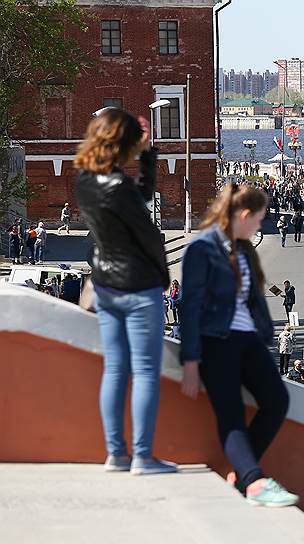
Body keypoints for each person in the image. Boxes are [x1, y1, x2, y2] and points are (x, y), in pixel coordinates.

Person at [179, 183, 297, 507]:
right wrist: (190, 362)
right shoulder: (202, 248)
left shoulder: (243, 247)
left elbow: (252, 300)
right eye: (258, 219)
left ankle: (242, 473)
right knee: (230, 413)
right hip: (216, 341)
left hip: (248, 339)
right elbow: (189, 306)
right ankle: (255, 482)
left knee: (277, 400)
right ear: (243, 215)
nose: (260, 226)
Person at [74, 108, 174, 475]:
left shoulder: (85, 180)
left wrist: (149, 156)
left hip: (105, 285)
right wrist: (162, 278)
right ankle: (143, 457)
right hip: (137, 287)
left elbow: (141, 193)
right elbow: (150, 236)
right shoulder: (118, 187)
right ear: (121, 143)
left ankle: (116, 453)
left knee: (115, 370)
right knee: (146, 371)